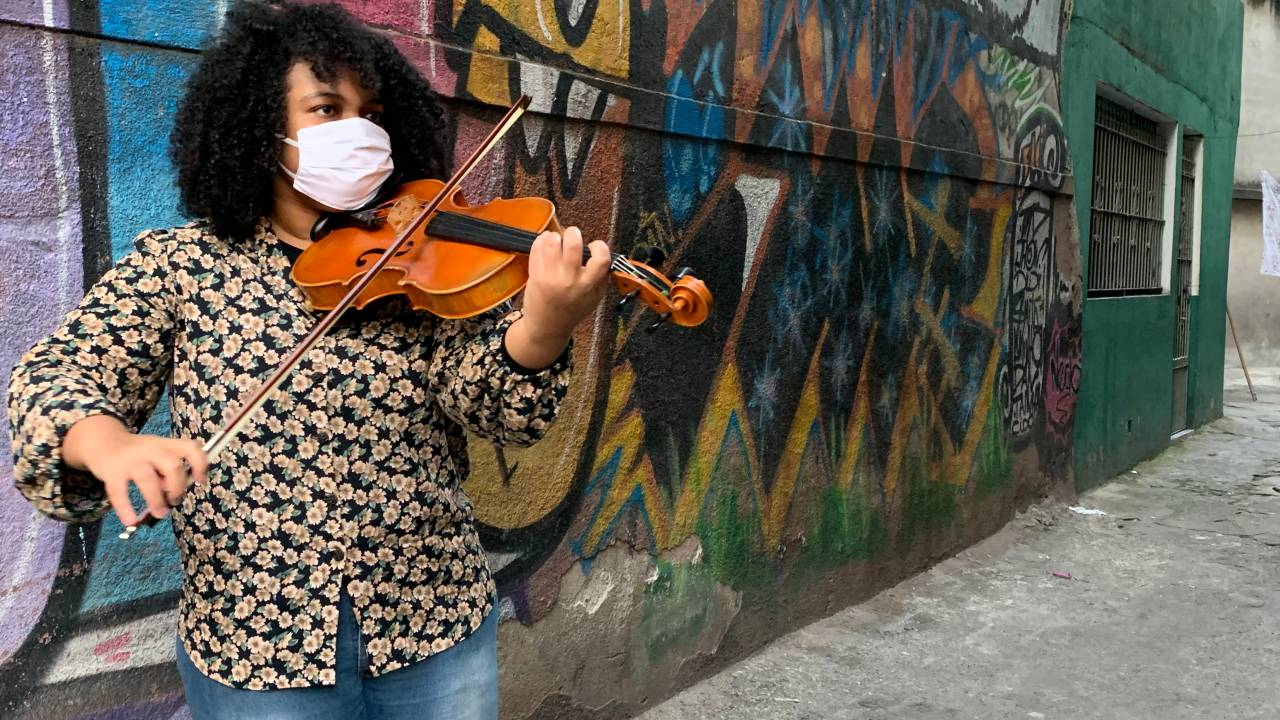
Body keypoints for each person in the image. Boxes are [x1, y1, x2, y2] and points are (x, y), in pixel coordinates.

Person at [6, 2, 610, 718]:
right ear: (261, 129)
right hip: (258, 648)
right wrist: (106, 445)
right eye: (328, 108)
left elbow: (492, 403)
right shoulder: (183, 267)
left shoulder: (417, 263)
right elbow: (58, 378)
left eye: (372, 112)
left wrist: (542, 325)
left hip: (432, 625)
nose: (361, 131)